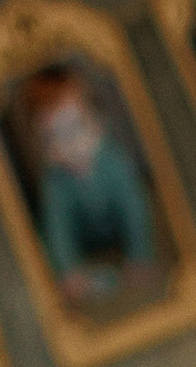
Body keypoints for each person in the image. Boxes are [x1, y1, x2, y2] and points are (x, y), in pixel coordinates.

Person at [19, 69, 156, 305]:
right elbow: (57, 227)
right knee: (40, 237)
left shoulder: (113, 162)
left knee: (138, 203)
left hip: (117, 232)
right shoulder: (54, 180)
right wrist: (69, 272)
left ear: (99, 123)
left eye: (76, 126)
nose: (70, 145)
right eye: (53, 136)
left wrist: (140, 257)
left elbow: (135, 209)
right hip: (85, 242)